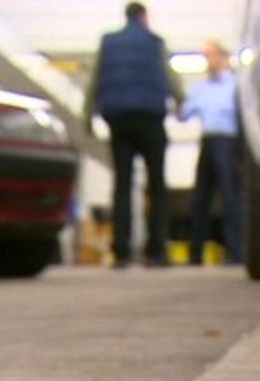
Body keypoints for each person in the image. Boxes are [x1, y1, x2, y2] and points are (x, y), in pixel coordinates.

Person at [83, 2, 184, 268]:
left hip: (119, 120)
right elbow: (170, 77)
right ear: (143, 17)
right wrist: (180, 100)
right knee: (157, 186)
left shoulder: (108, 42)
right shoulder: (155, 42)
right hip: (150, 119)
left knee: (122, 185)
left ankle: (122, 252)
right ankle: (157, 251)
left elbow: (93, 81)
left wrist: (87, 119)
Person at [179, 40, 241, 265]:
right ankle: (195, 253)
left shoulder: (235, 85)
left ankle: (235, 252)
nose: (208, 61)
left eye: (211, 56)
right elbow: (184, 115)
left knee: (231, 198)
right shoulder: (200, 88)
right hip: (207, 141)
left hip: (228, 142)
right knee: (200, 199)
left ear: (222, 57)